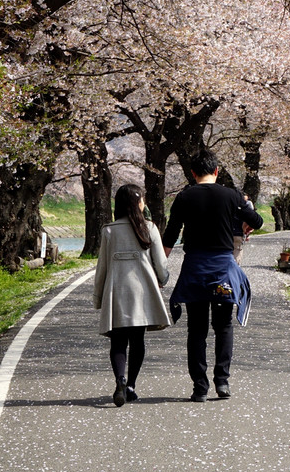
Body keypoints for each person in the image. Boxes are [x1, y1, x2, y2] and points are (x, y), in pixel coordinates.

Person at [163, 150, 263, 402]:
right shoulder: (232, 196)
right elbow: (258, 221)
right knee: (223, 325)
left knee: (196, 329)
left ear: (193, 173)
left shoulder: (184, 196)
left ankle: (199, 387)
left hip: (195, 269)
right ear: (217, 171)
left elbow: (171, 234)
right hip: (223, 271)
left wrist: (158, 266)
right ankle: (222, 382)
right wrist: (244, 207)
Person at [93, 184, 171, 407]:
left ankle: (119, 380)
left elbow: (102, 267)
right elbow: (160, 263)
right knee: (138, 341)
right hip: (142, 293)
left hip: (116, 293)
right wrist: (163, 279)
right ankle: (131, 386)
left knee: (118, 342)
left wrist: (98, 297)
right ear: (139, 203)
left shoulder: (109, 230)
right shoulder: (149, 228)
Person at [232, 192, 256, 263]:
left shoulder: (230, 205)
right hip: (238, 234)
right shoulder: (246, 208)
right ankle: (234, 271)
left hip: (227, 234)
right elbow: (249, 221)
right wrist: (245, 231)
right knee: (236, 255)